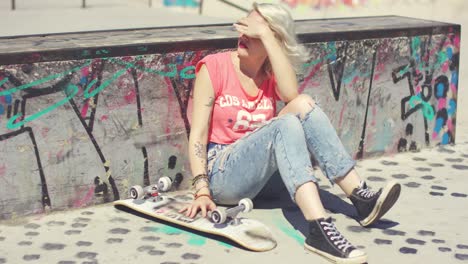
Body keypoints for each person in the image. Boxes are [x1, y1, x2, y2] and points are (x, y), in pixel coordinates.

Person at [180, 3, 401, 263]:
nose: (243, 36)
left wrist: (268, 37)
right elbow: (198, 134)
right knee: (284, 124)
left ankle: (360, 196)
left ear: (272, 39)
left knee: (303, 104)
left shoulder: (271, 75)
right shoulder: (214, 68)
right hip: (224, 174)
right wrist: (202, 191)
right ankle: (320, 227)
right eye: (243, 29)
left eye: (254, 33)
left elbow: (290, 96)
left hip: (264, 180)